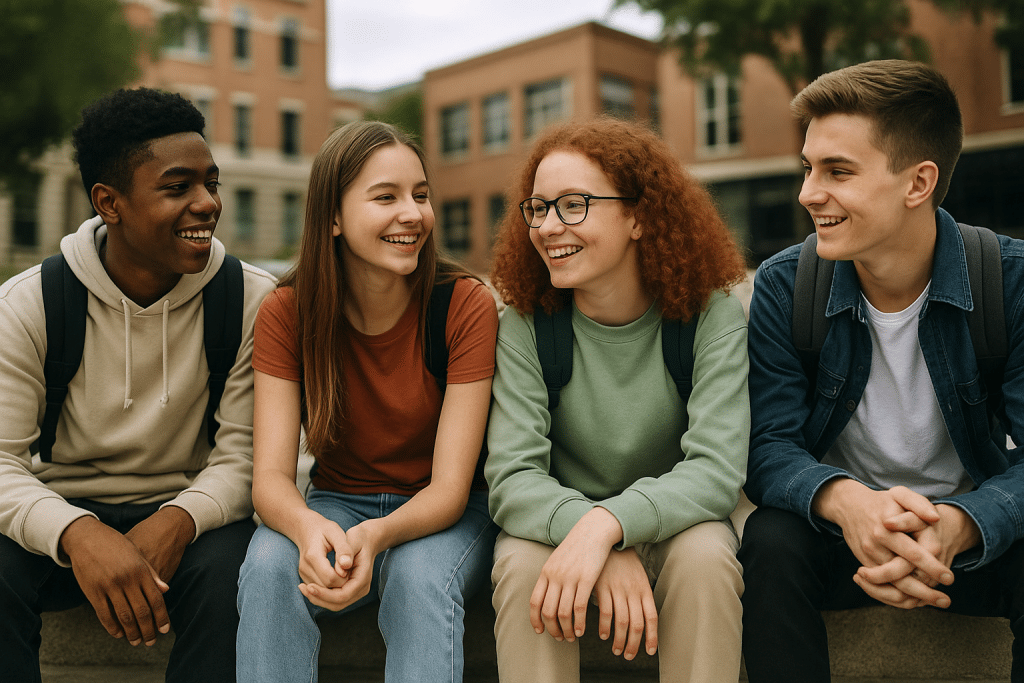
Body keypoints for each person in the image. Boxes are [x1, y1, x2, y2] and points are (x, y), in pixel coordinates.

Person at [740, 59, 1024, 682]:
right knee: (770, 540)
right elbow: (767, 445)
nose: (809, 193)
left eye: (838, 171)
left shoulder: (1011, 281)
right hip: (845, 540)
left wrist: (965, 523)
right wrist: (848, 504)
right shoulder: (787, 285)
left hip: (972, 541)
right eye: (808, 169)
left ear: (917, 182)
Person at [0, 87, 276, 683]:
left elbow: (249, 457)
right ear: (110, 202)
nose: (207, 204)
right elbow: (0, 462)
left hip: (191, 519)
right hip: (60, 513)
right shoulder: (29, 305)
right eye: (178, 188)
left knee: (246, 567)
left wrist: (179, 519)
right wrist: (76, 531)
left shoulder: (252, 300)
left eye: (211, 183)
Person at [485, 117, 749, 683]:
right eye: (538, 208)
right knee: (520, 563)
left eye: (573, 205)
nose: (549, 226)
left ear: (639, 216)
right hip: (559, 526)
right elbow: (511, 477)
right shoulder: (525, 326)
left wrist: (609, 525)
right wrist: (588, 529)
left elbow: (716, 469)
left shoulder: (711, 315)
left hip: (679, 526)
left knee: (708, 556)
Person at [235, 120, 499, 683]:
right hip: (334, 503)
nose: (413, 214)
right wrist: (308, 531)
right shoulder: (288, 311)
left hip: (443, 515)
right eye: (386, 197)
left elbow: (452, 490)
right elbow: (271, 480)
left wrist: (375, 538)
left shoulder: (463, 304)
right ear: (332, 216)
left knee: (417, 579)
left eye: (421, 195)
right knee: (266, 568)